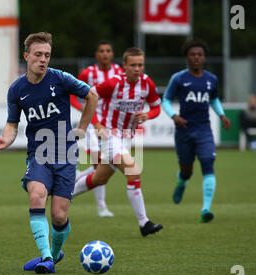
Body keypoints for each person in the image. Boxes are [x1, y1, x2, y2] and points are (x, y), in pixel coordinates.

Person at [0, 32, 97, 274]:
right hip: (39, 153)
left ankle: (54, 255)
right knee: (36, 195)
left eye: (47, 55)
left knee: (59, 216)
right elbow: (13, 123)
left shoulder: (60, 79)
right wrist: (6, 139)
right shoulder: (17, 90)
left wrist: (82, 129)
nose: (43, 59)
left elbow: (92, 95)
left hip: (66, 155)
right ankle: (47, 257)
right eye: (38, 54)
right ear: (26, 56)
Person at [73, 47, 163, 237]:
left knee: (99, 178)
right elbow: (90, 96)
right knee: (133, 171)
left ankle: (63, 195)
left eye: (140, 65)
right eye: (133, 65)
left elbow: (156, 107)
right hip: (109, 136)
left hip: (126, 138)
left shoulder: (147, 84)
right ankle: (144, 223)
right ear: (124, 66)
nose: (137, 69)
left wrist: (148, 114)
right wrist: (96, 124)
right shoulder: (113, 84)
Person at [162, 39, 231, 223]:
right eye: (192, 55)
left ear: (204, 57)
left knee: (208, 163)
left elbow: (214, 99)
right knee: (187, 170)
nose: (196, 58)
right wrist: (174, 116)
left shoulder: (211, 79)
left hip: (204, 129)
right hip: (184, 130)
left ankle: (206, 209)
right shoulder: (178, 78)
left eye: (199, 54)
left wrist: (222, 115)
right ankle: (181, 182)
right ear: (187, 57)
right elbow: (166, 100)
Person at [70, 40, 124, 218]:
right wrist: (82, 109)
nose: (105, 54)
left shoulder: (119, 72)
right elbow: (72, 93)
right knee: (98, 164)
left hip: (112, 127)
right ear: (97, 54)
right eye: (102, 51)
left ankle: (76, 177)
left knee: (103, 166)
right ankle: (101, 207)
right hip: (94, 125)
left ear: (112, 54)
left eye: (108, 51)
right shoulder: (88, 73)